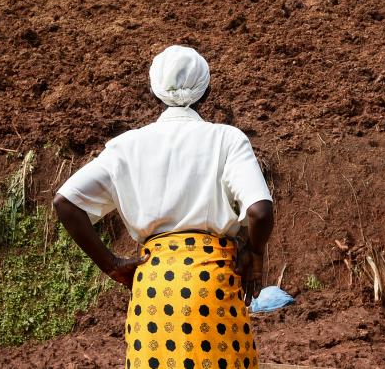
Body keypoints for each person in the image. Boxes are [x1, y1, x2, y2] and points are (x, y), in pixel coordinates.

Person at [54, 45, 274, 369]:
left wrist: (112, 264)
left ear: (154, 92)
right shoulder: (227, 139)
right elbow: (260, 212)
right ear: (207, 91)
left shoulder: (126, 147)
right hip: (211, 280)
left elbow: (65, 202)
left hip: (154, 286)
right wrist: (254, 254)